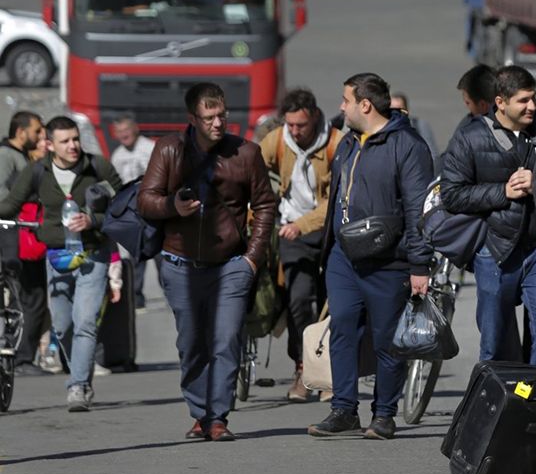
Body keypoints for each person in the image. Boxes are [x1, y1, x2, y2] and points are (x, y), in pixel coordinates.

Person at [139, 83, 276, 441]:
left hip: (231, 264)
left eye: (222, 116)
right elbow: (146, 200)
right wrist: (173, 207)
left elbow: (264, 205)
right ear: (192, 119)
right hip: (179, 264)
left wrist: (252, 258)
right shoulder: (169, 149)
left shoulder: (246, 153)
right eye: (209, 118)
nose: (218, 123)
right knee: (193, 342)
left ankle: (217, 418)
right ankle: (200, 413)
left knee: (225, 339)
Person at [307, 73, 434, 441]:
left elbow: (418, 208)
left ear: (365, 104)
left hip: (388, 260)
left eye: (346, 100)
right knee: (343, 326)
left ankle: (384, 414)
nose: (341, 107)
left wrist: (419, 264)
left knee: (386, 339)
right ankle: (343, 408)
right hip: (344, 257)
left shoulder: (408, 146)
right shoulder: (348, 143)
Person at [441, 65, 536, 367]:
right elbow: (452, 195)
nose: (532, 107)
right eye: (523, 101)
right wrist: (502, 192)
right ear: (500, 102)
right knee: (494, 343)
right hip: (495, 250)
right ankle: (497, 406)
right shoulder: (469, 138)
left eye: (534, 98)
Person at [0, 116, 122, 411]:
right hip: (56, 257)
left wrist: (93, 220)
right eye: (65, 141)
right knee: (63, 326)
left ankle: (78, 386)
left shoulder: (97, 166)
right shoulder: (37, 171)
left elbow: (125, 205)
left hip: (93, 253)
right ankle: (81, 371)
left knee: (84, 323)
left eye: (76, 139)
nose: (73, 146)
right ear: (49, 144)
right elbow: (10, 206)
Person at [260, 88, 341, 402]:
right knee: (298, 301)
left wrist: (302, 225)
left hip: (326, 231)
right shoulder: (278, 140)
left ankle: (326, 374)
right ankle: (302, 368)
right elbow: (253, 169)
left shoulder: (335, 143)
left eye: (300, 126)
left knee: (329, 302)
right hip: (290, 233)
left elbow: (334, 200)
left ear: (315, 118)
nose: (294, 131)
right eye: (290, 125)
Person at [0, 111, 50, 376]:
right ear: (21, 132)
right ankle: (21, 359)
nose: (40, 136)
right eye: (37, 131)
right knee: (29, 298)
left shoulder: (19, 157)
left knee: (32, 297)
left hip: (23, 238)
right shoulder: (7, 156)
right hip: (15, 240)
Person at [108, 114, 159, 308]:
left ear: (135, 129)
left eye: (126, 130)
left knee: (160, 255)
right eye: (119, 132)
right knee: (136, 255)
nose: (123, 135)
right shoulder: (117, 155)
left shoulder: (150, 148)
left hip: (153, 210)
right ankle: (136, 297)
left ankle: (171, 293)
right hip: (132, 213)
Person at [390, 91, 439, 161]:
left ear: (407, 110)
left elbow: (432, 153)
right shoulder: (382, 129)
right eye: (392, 109)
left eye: (399, 109)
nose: (395, 113)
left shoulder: (420, 125)